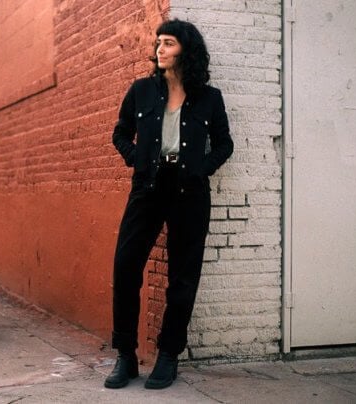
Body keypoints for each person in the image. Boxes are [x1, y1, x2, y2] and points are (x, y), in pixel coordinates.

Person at [105, 19, 233, 390]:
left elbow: (225, 144)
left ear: (186, 51)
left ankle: (168, 355)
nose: (160, 48)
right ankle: (125, 356)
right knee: (126, 266)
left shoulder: (210, 98)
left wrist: (200, 171)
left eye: (169, 43)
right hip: (147, 186)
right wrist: (136, 159)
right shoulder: (141, 91)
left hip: (189, 191)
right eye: (159, 42)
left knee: (182, 276)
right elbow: (119, 132)